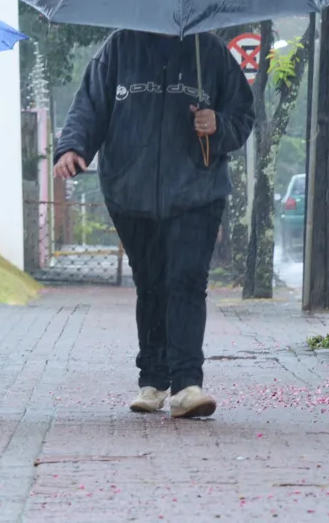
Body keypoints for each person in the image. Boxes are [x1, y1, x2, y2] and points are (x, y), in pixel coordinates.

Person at [53, 29, 254, 418]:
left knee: (187, 281)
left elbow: (243, 115)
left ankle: (187, 384)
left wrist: (218, 125)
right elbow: (90, 105)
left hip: (198, 189)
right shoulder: (118, 48)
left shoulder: (207, 50)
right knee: (151, 284)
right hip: (131, 192)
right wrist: (73, 147)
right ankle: (152, 380)